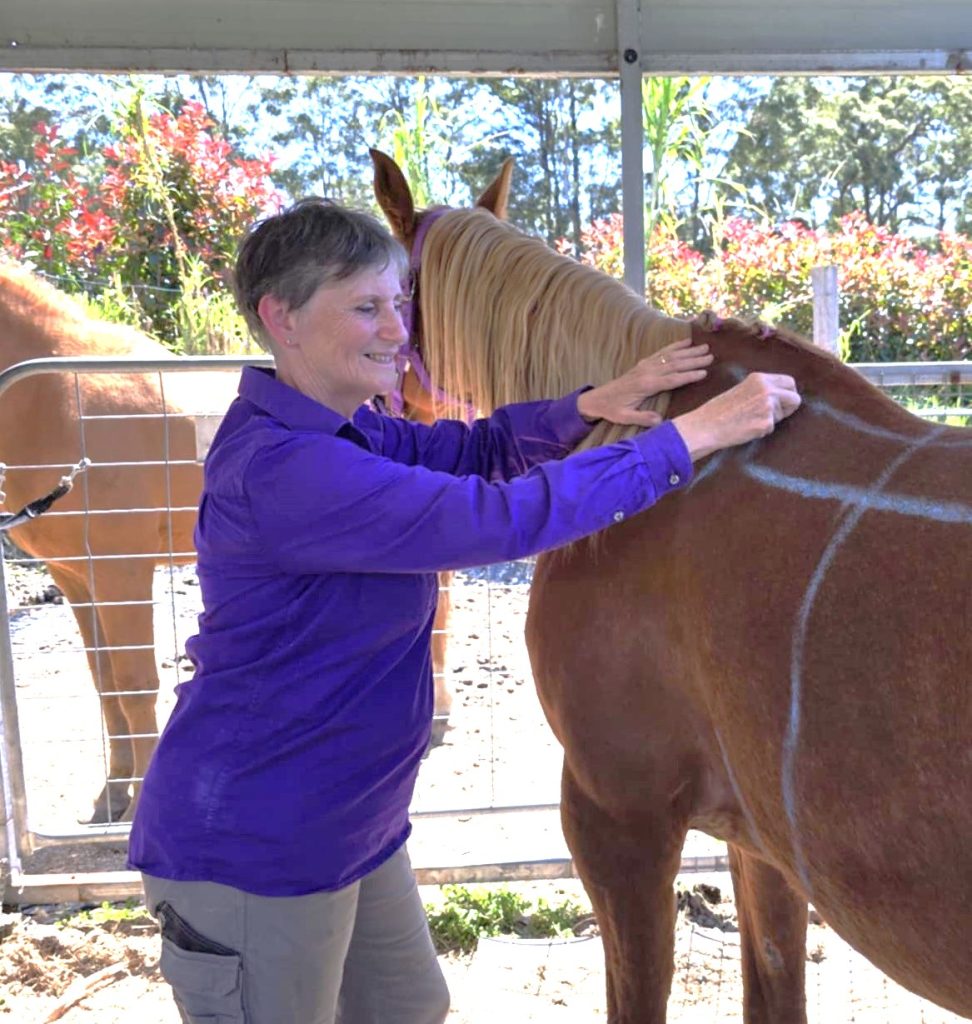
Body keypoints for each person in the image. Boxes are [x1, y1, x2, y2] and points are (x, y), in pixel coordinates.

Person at [128, 197, 801, 1024]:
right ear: (282, 318)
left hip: (353, 824)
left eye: (399, 304)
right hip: (255, 840)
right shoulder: (286, 467)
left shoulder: (349, 430)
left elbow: (472, 449)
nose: (398, 330)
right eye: (367, 308)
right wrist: (685, 439)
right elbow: (502, 516)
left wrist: (593, 404)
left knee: (410, 1006)